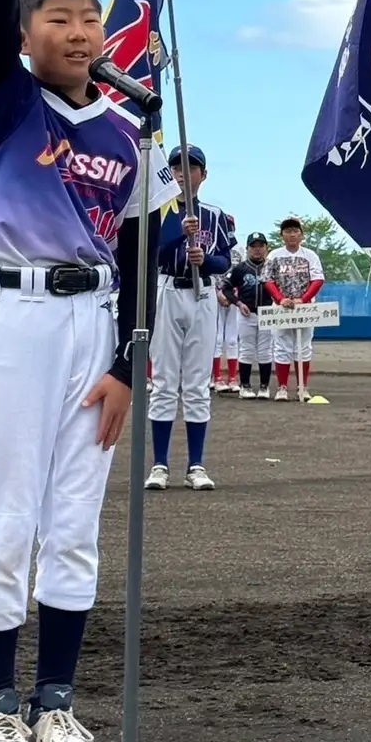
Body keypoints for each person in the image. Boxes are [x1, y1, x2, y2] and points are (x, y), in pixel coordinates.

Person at [0, 0, 178, 742]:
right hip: (10, 321)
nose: (81, 30)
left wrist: (130, 359)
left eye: (89, 19)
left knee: (76, 519)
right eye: (59, 18)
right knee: (6, 512)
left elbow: (142, 252)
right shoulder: (3, 102)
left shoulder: (128, 132)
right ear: (27, 34)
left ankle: (57, 705)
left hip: (93, 329)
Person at [145, 146, 232, 491]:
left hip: (202, 293)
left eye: (191, 168)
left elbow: (225, 261)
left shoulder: (214, 215)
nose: (183, 173)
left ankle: (196, 464)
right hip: (166, 288)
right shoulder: (158, 210)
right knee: (165, 379)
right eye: (177, 168)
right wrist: (179, 233)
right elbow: (151, 254)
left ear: (203, 175)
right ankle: (160, 464)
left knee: (196, 381)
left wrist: (206, 261)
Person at [262, 218, 324, 402]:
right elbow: (267, 279)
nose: (292, 234)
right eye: (287, 231)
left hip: (305, 307)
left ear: (301, 234)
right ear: (282, 235)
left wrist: (303, 300)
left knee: (303, 347)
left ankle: (302, 387)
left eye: (295, 230)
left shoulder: (310, 255)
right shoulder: (274, 255)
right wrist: (281, 299)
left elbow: (318, 279)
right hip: (281, 307)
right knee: (281, 346)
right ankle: (282, 387)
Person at [222, 231, 275, 399]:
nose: (257, 250)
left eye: (261, 246)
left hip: (268, 312)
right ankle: (245, 386)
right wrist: (238, 303)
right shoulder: (240, 268)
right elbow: (226, 288)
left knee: (266, 351)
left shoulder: (273, 267)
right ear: (248, 249)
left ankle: (264, 387)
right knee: (246, 350)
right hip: (247, 313)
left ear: (267, 248)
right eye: (254, 247)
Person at [211, 213, 239, 393]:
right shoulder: (211, 247)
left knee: (232, 339)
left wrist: (233, 294)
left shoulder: (239, 251)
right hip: (214, 297)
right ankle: (216, 377)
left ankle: (233, 377)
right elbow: (207, 274)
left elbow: (242, 275)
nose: (228, 229)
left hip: (235, 300)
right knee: (216, 338)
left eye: (230, 226)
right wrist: (218, 293)